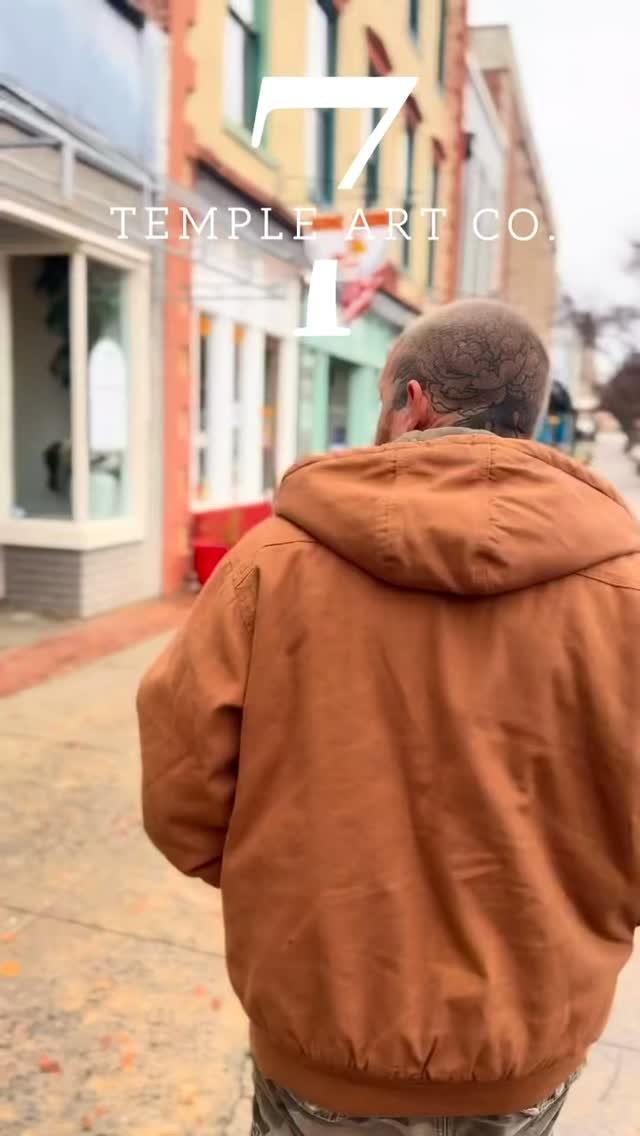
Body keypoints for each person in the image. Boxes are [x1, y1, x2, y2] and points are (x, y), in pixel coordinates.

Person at [137, 299, 640, 1136]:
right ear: (528, 415)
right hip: (526, 1040)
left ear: (411, 403)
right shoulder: (626, 596)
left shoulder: (270, 564)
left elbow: (181, 787)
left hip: (323, 1028)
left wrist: (282, 880)